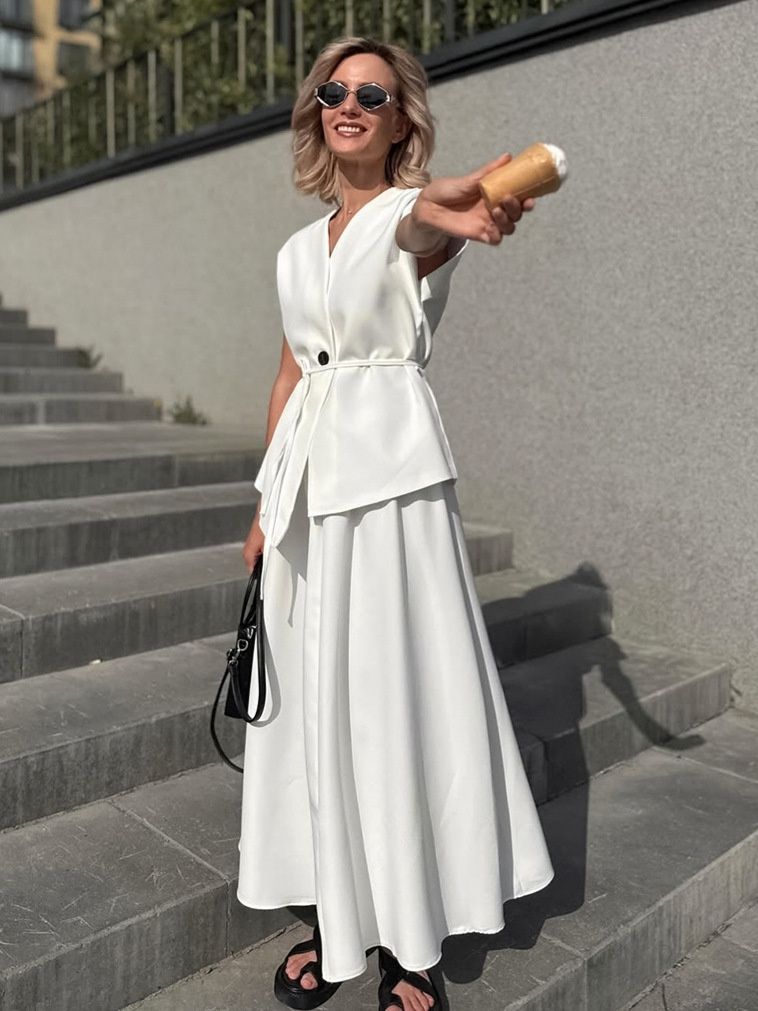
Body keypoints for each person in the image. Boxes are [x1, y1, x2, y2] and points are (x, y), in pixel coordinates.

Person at [237, 34, 555, 1011]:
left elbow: (424, 224)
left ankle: (406, 942)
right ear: (315, 112)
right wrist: (261, 502)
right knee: (316, 708)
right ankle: (337, 911)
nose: (349, 103)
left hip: (389, 492)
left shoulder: (410, 219)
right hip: (304, 494)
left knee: (388, 700)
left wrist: (452, 200)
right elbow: (293, 373)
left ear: (398, 118)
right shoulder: (295, 251)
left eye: (372, 94)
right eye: (333, 90)